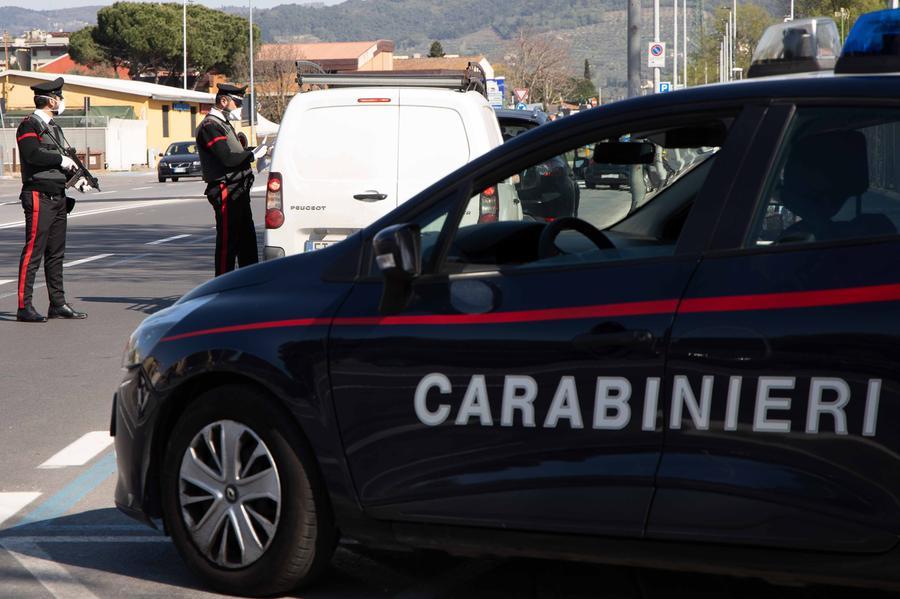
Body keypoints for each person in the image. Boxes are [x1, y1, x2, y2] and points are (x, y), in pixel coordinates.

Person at [15, 77, 90, 323]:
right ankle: (24, 306)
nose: (62, 101)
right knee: (33, 252)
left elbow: (62, 158)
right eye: (59, 97)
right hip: (38, 195)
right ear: (50, 100)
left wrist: (76, 177)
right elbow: (32, 155)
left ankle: (57, 304)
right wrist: (60, 161)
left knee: (56, 254)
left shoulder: (54, 127)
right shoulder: (29, 125)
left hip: (58, 195)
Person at [196, 83, 268, 276]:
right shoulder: (210, 126)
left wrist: (254, 152)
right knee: (228, 241)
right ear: (224, 101)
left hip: (238, 187)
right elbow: (227, 159)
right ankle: (221, 286)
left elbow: (236, 152)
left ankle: (249, 283)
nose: (239, 107)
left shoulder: (224, 124)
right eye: (237, 102)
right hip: (225, 188)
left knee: (247, 240)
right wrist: (251, 155)